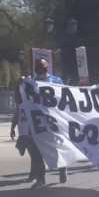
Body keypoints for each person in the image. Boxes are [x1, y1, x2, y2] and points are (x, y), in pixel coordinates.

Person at [27, 59, 67, 188]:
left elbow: (65, 98)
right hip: (37, 121)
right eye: (39, 68)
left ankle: (62, 167)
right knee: (36, 150)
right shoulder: (31, 83)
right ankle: (41, 178)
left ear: (47, 68)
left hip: (53, 121)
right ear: (35, 69)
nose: (41, 71)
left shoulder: (56, 81)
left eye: (43, 68)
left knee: (57, 147)